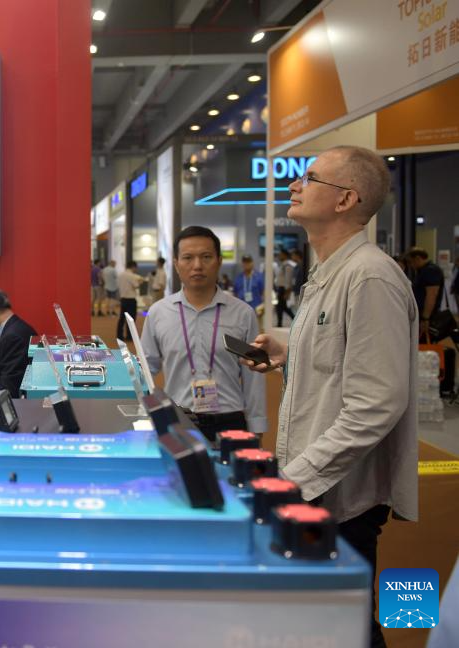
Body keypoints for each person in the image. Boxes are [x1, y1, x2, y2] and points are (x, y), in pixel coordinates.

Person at [243, 146, 418, 648]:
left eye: (310, 178)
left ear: (345, 200)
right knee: (321, 623)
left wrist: (294, 479)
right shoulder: (327, 274)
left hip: (339, 495)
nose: (294, 186)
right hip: (316, 485)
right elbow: (341, 361)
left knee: (349, 627)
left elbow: (377, 403)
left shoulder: (370, 276)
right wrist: (289, 350)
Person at [140, 225, 266, 441]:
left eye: (206, 257)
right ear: (176, 264)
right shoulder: (159, 313)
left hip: (230, 422)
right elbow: (145, 369)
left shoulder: (243, 314)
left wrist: (256, 426)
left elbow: (253, 376)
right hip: (178, 420)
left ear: (219, 261)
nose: (197, 265)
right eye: (188, 258)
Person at [406, 247, 445, 340]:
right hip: (421, 315)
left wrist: (425, 318)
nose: (411, 265)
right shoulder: (422, 271)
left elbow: (431, 295)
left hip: (427, 316)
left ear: (418, 258)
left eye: (411, 262)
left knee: (425, 342)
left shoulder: (430, 271)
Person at [117, 260, 143, 342]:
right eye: (136, 268)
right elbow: (136, 285)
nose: (136, 269)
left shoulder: (121, 275)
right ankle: (129, 336)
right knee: (131, 319)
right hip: (131, 299)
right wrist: (140, 282)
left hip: (123, 298)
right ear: (133, 267)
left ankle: (119, 335)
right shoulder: (131, 276)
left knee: (122, 318)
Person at [274, 249, 296, 326]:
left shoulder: (288, 265)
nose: (279, 256)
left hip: (284, 289)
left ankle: (294, 319)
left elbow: (288, 279)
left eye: (281, 254)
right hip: (281, 289)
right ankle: (280, 323)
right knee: (281, 307)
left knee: (282, 307)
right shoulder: (283, 264)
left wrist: (287, 291)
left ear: (285, 255)